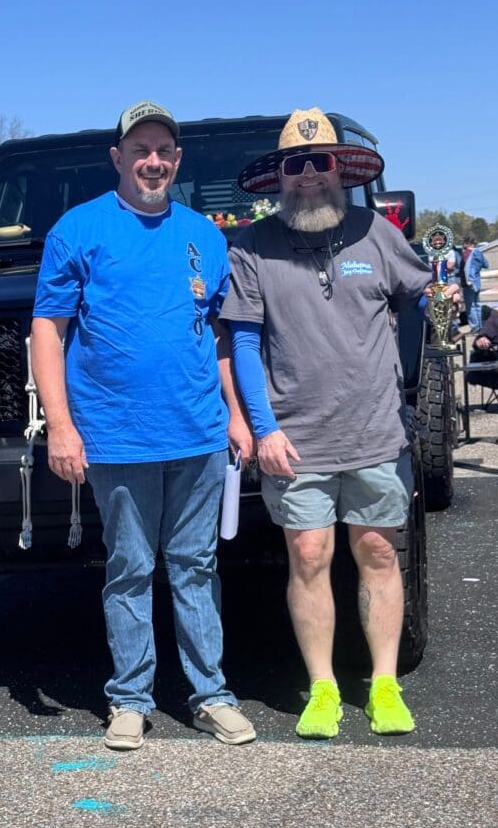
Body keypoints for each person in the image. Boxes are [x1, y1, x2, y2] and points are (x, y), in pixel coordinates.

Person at [30, 100, 255, 752]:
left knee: (195, 567)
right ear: (118, 158)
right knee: (129, 568)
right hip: (116, 436)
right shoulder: (80, 229)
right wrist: (60, 427)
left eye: (163, 151)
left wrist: (237, 416)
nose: (152, 161)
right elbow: (48, 330)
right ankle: (129, 699)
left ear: (176, 160)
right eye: (140, 150)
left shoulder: (206, 237)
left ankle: (211, 695)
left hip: (199, 433)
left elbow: (217, 336)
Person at [221, 104, 444, 739]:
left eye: (319, 162)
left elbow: (417, 301)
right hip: (294, 438)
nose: (308, 176)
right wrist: (263, 428)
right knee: (308, 554)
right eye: (295, 165)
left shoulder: (377, 233)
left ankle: (383, 684)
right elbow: (243, 343)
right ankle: (321, 687)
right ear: (280, 177)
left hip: (375, 432)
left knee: (377, 550)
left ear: (339, 169)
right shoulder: (252, 247)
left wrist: (405, 386)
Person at [460, 235, 489, 332]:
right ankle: (480, 325)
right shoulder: (478, 252)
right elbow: (486, 264)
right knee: (477, 304)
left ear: (467, 243)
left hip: (469, 282)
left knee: (471, 306)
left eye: (464, 243)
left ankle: (475, 327)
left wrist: (468, 280)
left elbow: (467, 267)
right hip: (477, 282)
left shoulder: (467, 253)